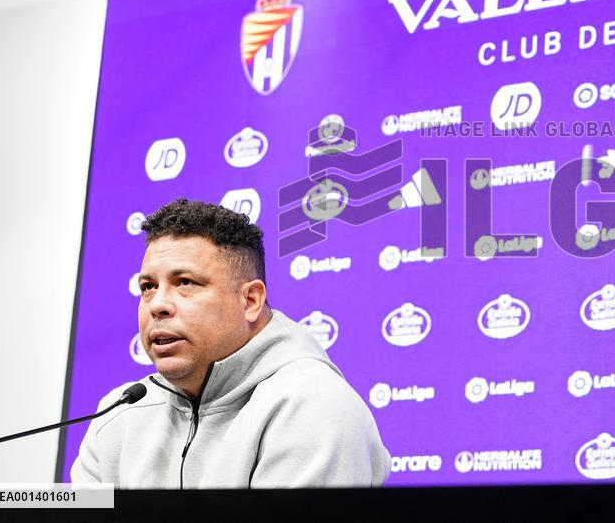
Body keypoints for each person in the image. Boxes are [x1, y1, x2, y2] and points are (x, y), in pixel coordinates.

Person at [71, 198, 390, 488]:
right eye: (149, 287)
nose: (157, 305)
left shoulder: (313, 405)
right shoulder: (119, 415)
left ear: (250, 300)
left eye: (185, 283)